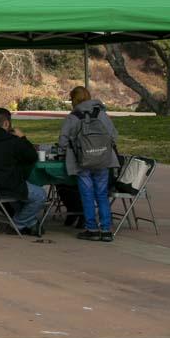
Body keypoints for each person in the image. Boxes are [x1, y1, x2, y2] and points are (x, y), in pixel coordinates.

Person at [0, 107, 47, 236]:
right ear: (6, 123)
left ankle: (31, 223)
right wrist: (22, 138)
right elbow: (31, 156)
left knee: (20, 196)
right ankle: (18, 224)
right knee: (40, 195)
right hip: (2, 185)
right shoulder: (11, 141)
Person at [60, 86, 119, 242]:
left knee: (87, 195)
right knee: (102, 195)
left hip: (82, 162)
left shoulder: (73, 117)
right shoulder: (101, 113)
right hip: (102, 160)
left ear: (74, 99)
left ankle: (91, 228)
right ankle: (106, 230)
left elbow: (63, 141)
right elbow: (113, 135)